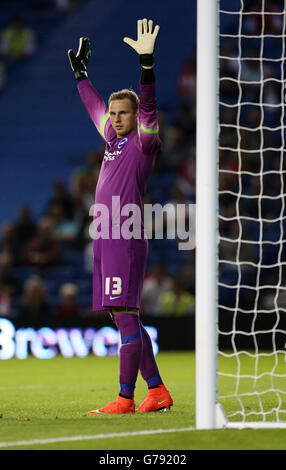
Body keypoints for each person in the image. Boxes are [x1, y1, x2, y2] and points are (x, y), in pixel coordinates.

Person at [68, 19, 173, 414]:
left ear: (135, 116)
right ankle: (157, 390)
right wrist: (81, 76)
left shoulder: (145, 143)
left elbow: (148, 105)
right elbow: (93, 105)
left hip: (124, 232)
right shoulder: (112, 139)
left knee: (126, 314)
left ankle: (125, 399)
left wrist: (147, 66)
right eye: (113, 113)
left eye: (122, 113)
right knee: (122, 315)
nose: (114, 117)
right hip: (106, 233)